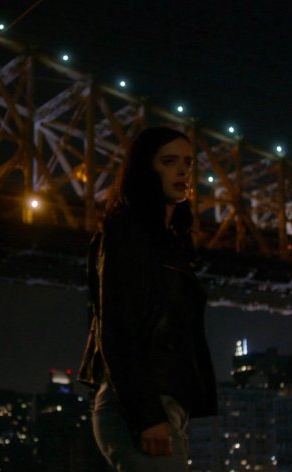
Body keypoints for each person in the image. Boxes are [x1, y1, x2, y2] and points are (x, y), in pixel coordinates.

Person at [78, 126, 218, 471]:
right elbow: (118, 329)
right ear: (145, 169)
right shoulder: (126, 232)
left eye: (187, 162)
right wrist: (147, 416)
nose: (184, 170)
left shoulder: (169, 242)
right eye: (169, 161)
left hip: (166, 406)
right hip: (138, 407)